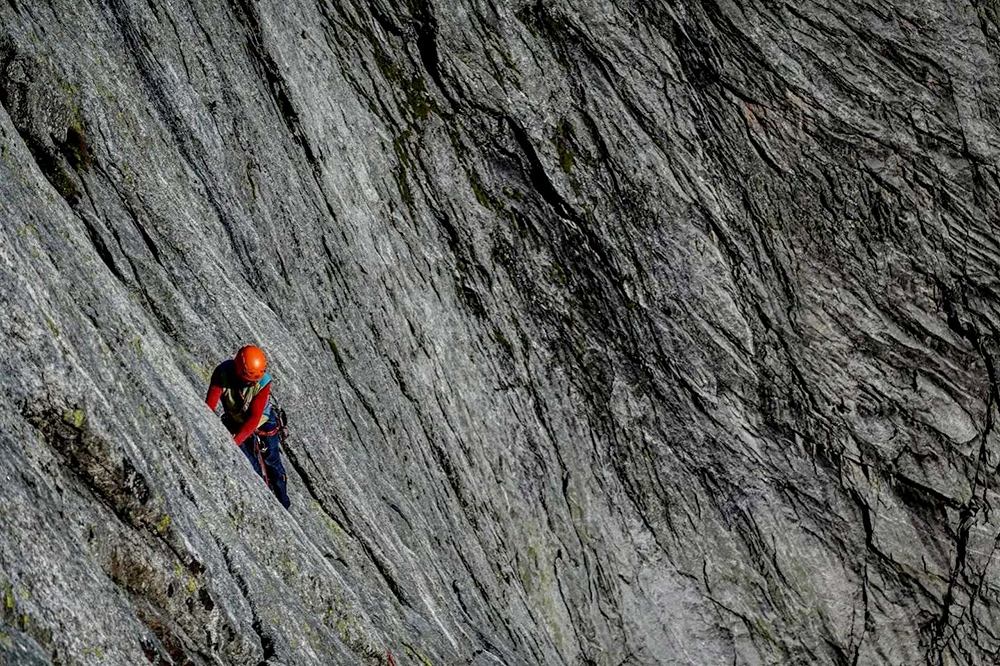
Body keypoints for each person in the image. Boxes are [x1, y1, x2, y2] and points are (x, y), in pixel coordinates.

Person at [205, 345, 290, 509]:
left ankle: (283, 503)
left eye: (254, 382)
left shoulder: (263, 382)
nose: (252, 384)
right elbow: (209, 406)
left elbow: (254, 418)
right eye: (249, 381)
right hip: (236, 422)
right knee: (250, 466)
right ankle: (264, 499)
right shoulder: (222, 373)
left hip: (263, 423)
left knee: (273, 464)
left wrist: (235, 441)